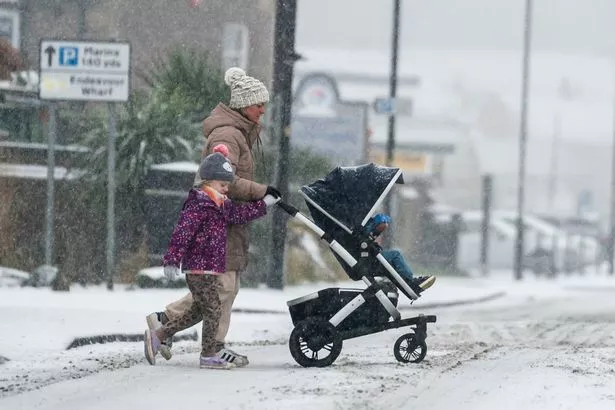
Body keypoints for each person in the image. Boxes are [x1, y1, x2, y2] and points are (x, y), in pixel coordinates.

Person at [146, 67, 275, 367]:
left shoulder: (238, 134)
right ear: (244, 105)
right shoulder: (228, 136)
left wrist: (264, 202)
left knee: (219, 291)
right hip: (218, 230)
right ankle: (212, 348)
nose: (263, 110)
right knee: (224, 289)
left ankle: (165, 323)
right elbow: (224, 178)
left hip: (225, 225)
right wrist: (262, 191)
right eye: (259, 105)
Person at [144, 152, 280, 368]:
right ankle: (208, 355)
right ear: (207, 180)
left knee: (198, 312)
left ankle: (159, 335)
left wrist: (263, 205)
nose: (227, 189)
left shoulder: (221, 204)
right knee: (213, 310)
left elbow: (239, 214)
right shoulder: (198, 203)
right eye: (222, 184)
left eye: (227, 184)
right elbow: (182, 232)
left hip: (210, 269)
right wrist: (172, 259)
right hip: (198, 269)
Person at [364, 213, 436, 294]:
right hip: (364, 260)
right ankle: (410, 282)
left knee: (390, 263)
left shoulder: (360, 222)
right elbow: (377, 223)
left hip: (364, 259)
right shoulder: (365, 223)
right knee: (395, 255)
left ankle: (408, 283)